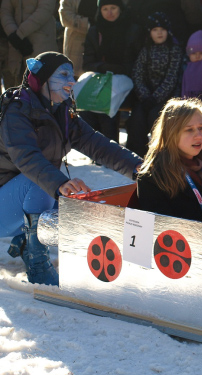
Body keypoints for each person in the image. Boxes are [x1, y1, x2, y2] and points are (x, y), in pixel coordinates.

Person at [0, 52, 143, 286]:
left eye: (72, 75)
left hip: (26, 197)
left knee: (79, 205)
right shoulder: (17, 111)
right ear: (42, 80)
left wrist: (140, 168)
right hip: (5, 204)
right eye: (63, 75)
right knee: (42, 184)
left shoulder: (62, 112)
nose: (72, 81)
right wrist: (59, 183)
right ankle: (37, 262)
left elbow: (98, 145)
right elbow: (27, 158)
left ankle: (28, 242)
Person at [136, 98, 202, 224]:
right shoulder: (154, 177)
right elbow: (160, 231)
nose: (199, 136)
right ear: (171, 133)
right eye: (189, 129)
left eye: (201, 128)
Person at [81, 0, 141, 142]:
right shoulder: (95, 31)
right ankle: (97, 149)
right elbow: (87, 63)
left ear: (120, 9)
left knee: (106, 101)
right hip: (101, 80)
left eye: (113, 8)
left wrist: (123, 69)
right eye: (105, 9)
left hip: (129, 82)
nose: (109, 12)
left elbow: (139, 61)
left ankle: (109, 150)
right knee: (87, 106)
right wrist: (102, 67)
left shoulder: (133, 30)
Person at [126, 12, 183, 157]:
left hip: (165, 96)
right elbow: (137, 73)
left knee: (155, 116)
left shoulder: (174, 50)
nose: (159, 33)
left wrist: (156, 97)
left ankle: (160, 153)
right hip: (146, 96)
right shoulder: (146, 50)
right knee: (137, 118)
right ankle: (137, 154)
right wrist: (145, 96)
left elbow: (172, 77)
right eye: (155, 30)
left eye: (162, 29)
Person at [0, 0, 59, 87]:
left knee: (42, 89)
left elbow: (45, 10)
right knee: (18, 90)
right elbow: (5, 12)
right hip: (16, 49)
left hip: (40, 45)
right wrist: (12, 33)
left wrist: (19, 34)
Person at [59, 0, 98, 78]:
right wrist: (89, 25)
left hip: (99, 42)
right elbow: (65, 16)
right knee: (74, 78)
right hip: (75, 44)